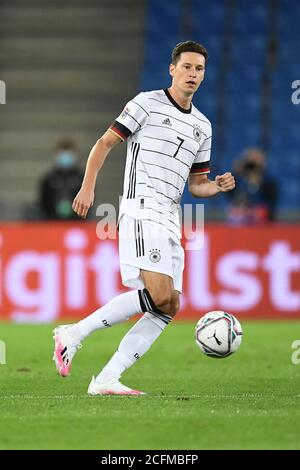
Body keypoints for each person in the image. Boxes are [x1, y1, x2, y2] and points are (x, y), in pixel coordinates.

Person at [53, 40, 235, 395]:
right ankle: (72, 333)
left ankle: (107, 378)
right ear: (172, 68)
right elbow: (104, 143)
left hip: (171, 215)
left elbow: (196, 185)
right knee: (159, 292)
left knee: (169, 305)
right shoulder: (145, 103)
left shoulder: (202, 126)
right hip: (141, 208)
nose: (192, 74)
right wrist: (87, 188)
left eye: (199, 69)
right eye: (186, 67)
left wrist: (216, 186)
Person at [227, 148, 278, 224]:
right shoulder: (237, 180)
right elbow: (229, 195)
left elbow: (271, 204)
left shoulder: (269, 182)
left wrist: (257, 182)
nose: (252, 167)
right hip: (240, 220)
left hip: (262, 222)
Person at [40, 139, 83, 220]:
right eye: (63, 153)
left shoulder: (82, 178)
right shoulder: (49, 178)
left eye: (69, 153)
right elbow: (43, 200)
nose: (65, 157)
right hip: (52, 221)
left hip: (77, 221)